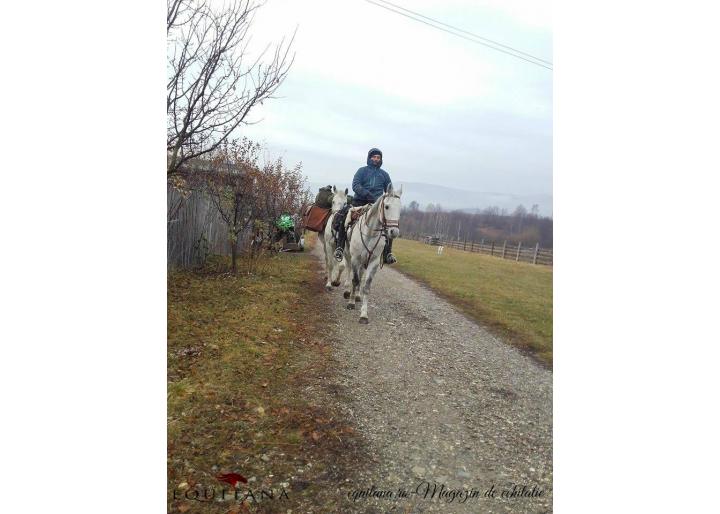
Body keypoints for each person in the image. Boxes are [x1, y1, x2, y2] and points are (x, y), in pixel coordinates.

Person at [333, 148, 397, 264]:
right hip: (359, 202)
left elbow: (389, 191)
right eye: (374, 157)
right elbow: (355, 185)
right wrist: (367, 194)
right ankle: (340, 247)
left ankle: (387, 253)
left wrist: (387, 198)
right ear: (369, 158)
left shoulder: (384, 175)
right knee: (344, 217)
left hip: (376, 205)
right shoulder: (361, 171)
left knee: (389, 223)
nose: (376, 159)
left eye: (378, 158)